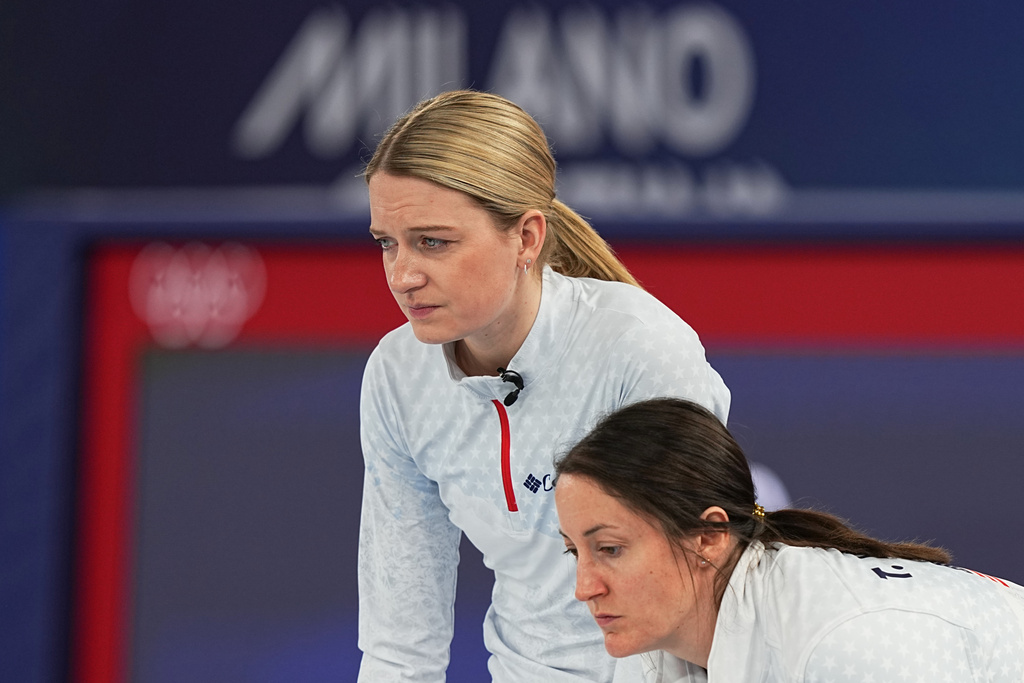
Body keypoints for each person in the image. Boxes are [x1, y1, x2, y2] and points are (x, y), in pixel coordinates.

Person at [357, 88, 744, 682]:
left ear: (528, 238)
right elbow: (400, 640)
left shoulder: (641, 347)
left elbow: (687, 599)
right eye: (388, 242)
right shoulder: (396, 374)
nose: (403, 275)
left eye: (434, 241)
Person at [555, 397, 1024, 682]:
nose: (584, 588)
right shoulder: (659, 648)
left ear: (710, 535)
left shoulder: (843, 646)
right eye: (574, 551)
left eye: (610, 549)